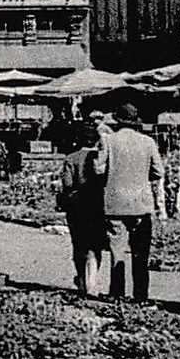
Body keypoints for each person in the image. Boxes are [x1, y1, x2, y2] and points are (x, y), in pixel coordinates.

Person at [93, 103, 165, 301]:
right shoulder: (148, 142)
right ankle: (140, 294)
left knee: (117, 250)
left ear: (118, 121)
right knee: (141, 253)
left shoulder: (108, 141)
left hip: (115, 203)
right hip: (141, 203)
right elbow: (158, 171)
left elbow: (98, 169)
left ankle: (117, 292)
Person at [58, 118, 107, 295]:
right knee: (95, 244)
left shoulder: (70, 159)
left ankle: (80, 279)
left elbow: (67, 184)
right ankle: (92, 281)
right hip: (96, 205)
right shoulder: (98, 159)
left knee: (79, 245)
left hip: (77, 207)